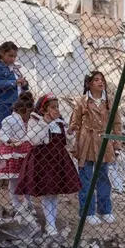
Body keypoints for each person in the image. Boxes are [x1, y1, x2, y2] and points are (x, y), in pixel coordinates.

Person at [15, 94, 82, 236]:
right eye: (52, 107)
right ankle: (50, 224)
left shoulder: (59, 122)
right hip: (43, 160)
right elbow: (34, 140)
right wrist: (44, 123)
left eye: (57, 107)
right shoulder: (35, 120)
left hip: (58, 159)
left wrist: (71, 132)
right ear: (43, 109)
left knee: (54, 193)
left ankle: (51, 222)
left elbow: (66, 140)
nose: (56, 109)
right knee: (47, 193)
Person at [69, 71, 122, 225]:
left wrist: (117, 143)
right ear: (89, 84)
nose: (100, 82)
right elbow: (75, 123)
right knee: (86, 178)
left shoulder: (109, 101)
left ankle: (105, 210)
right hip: (86, 142)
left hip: (104, 142)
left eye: (102, 79)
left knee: (103, 177)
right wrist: (75, 138)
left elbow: (117, 123)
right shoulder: (82, 101)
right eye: (96, 80)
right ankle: (87, 212)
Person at [0, 92, 35, 214]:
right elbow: (3, 134)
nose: (30, 115)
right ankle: (16, 205)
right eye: (29, 112)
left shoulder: (29, 121)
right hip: (13, 152)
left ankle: (28, 203)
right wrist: (10, 141)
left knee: (28, 179)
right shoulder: (9, 120)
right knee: (14, 180)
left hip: (25, 151)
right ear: (24, 110)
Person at [0, 42, 29, 127]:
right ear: (2, 53)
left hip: (19, 104)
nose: (13, 59)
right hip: (6, 105)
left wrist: (24, 83)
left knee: (19, 128)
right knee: (6, 128)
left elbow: (21, 83)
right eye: (10, 56)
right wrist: (14, 82)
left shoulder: (15, 68)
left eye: (15, 56)